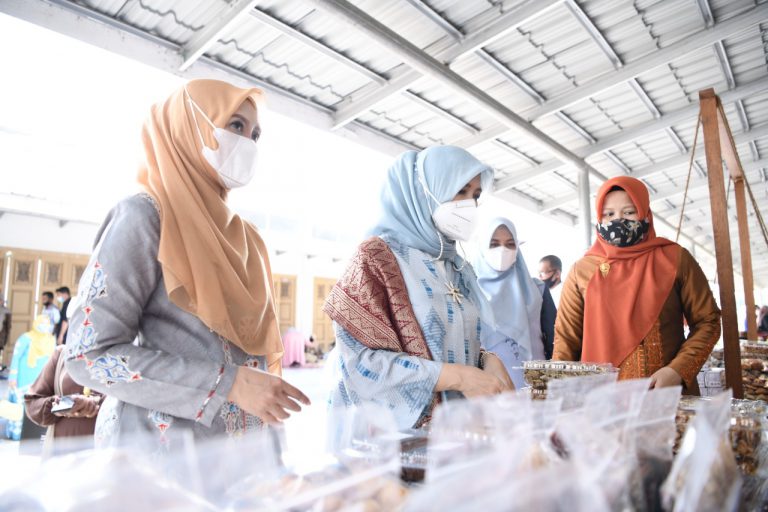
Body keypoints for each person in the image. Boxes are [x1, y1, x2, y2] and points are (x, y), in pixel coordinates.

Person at [65, 79, 309, 447]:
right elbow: (90, 356)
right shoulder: (146, 218)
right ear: (190, 126)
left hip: (237, 466)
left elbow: (255, 365)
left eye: (255, 134)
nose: (247, 143)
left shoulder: (249, 240)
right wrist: (225, 383)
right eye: (236, 125)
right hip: (158, 464)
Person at [324, 146, 514, 430]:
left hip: (454, 429)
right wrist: (459, 377)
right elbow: (361, 363)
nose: (469, 205)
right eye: (460, 191)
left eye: (475, 196)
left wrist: (486, 360)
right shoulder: (376, 257)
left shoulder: (456, 265)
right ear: (425, 190)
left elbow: (450, 341)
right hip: (390, 436)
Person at [553, 177, 721, 393]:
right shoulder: (582, 270)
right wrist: (557, 393)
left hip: (667, 396)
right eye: (609, 214)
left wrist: (678, 370)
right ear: (599, 218)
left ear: (644, 213)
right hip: (600, 400)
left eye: (629, 212)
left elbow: (708, 321)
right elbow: (567, 339)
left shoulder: (675, 259)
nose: (618, 220)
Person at [474, 218, 557, 388]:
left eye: (510, 244)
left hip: (539, 384)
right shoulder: (469, 291)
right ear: (482, 247)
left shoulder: (537, 288)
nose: (502, 250)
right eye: (494, 244)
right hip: (492, 388)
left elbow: (554, 338)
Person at [25, 345, 103, 454]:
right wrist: (61, 405)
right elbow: (33, 403)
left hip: (108, 454)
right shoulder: (63, 354)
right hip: (62, 454)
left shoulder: (125, 355)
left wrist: (96, 404)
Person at [6, 315, 56, 440]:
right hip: (23, 380)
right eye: (42, 323)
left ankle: (31, 433)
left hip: (41, 381)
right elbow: (16, 357)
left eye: (47, 323)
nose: (44, 326)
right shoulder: (26, 338)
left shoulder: (51, 340)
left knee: (36, 408)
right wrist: (13, 376)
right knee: (18, 408)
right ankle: (15, 434)